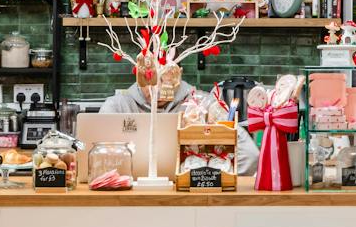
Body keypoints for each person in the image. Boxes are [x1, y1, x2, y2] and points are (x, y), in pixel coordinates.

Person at [97, 60, 259, 176]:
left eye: (165, 79)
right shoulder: (117, 106)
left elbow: (249, 157)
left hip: (189, 198)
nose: (157, 88)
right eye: (150, 78)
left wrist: (206, 178)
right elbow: (96, 161)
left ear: (178, 75)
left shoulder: (203, 104)